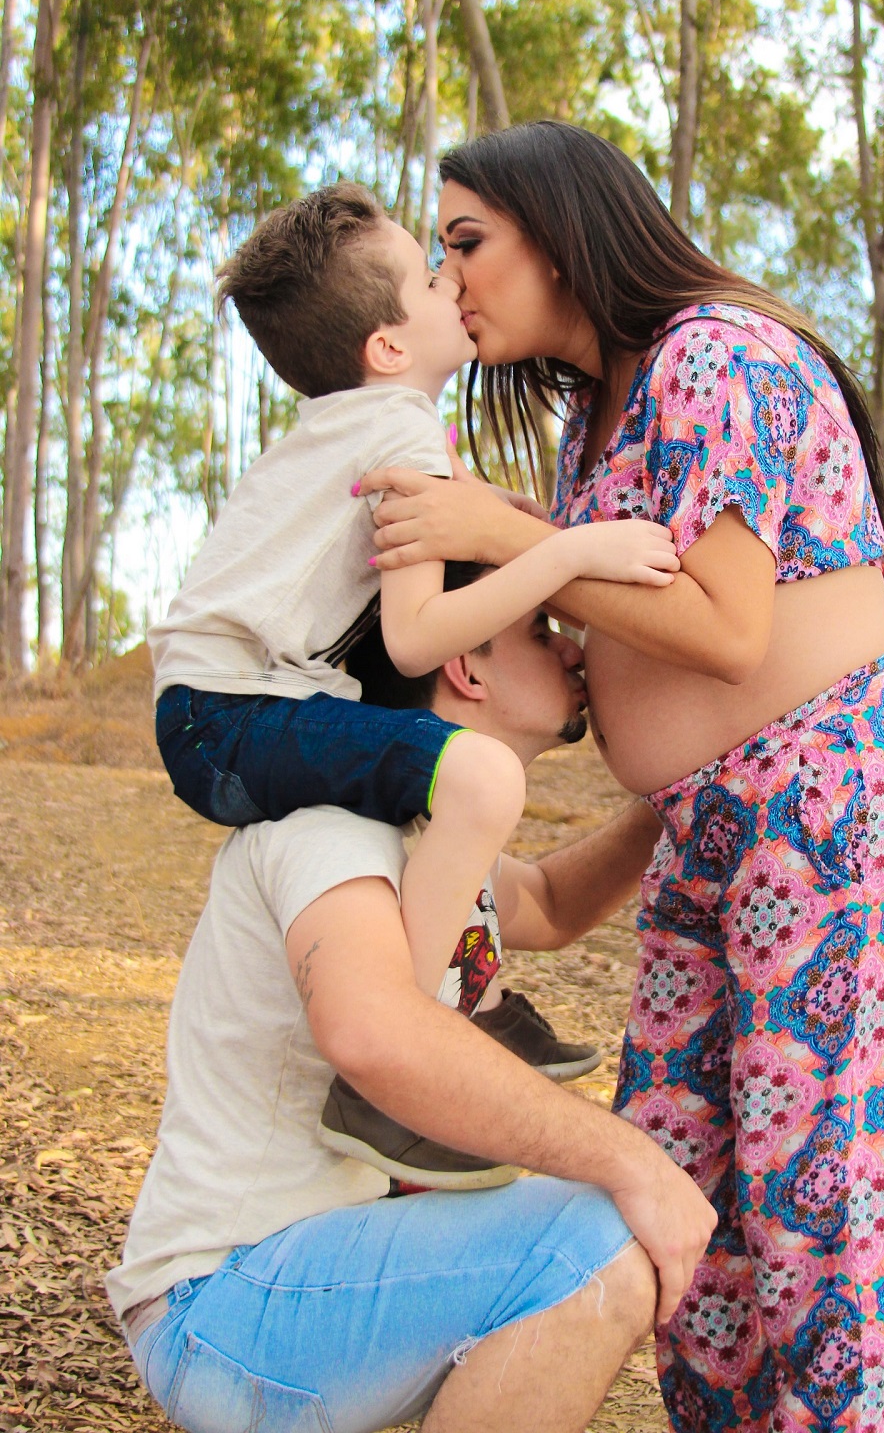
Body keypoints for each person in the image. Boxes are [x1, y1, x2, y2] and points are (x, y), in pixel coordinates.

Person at [356, 121, 884, 1432]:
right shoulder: (599, 417)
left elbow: (727, 627)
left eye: (468, 242)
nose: (452, 279)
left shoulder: (713, 354)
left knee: (820, 1203)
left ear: (561, 232)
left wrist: (509, 532)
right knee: (687, 1212)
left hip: (829, 812)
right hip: (706, 835)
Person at [147, 182, 678, 1184]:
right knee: (477, 780)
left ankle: (458, 1015)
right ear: (389, 348)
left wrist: (514, 523)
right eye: (436, 277)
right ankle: (412, 1054)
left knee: (453, 796)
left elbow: (556, 904)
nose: (457, 286)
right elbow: (416, 636)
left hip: (221, 712)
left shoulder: (358, 426)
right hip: (229, 714)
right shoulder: (397, 427)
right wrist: (568, 555)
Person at [107, 595, 718, 1433]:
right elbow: (372, 1033)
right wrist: (633, 1164)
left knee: (590, 1235)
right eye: (541, 632)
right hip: (223, 1300)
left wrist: (677, 796)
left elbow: (544, 898)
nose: (575, 653)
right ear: (464, 665)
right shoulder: (334, 827)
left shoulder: (422, 829)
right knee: (594, 1245)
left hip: (304, 1281)